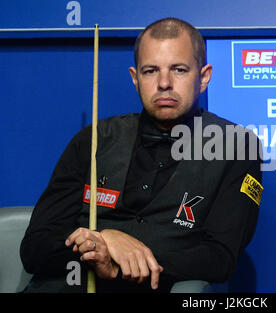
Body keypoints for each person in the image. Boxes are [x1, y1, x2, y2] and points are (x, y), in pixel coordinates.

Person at [20, 17, 263, 293]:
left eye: (179, 69)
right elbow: (35, 248)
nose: (164, 83)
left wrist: (122, 263)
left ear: (204, 77)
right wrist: (104, 240)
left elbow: (220, 258)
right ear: (136, 78)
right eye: (150, 71)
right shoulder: (93, 140)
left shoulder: (236, 146)